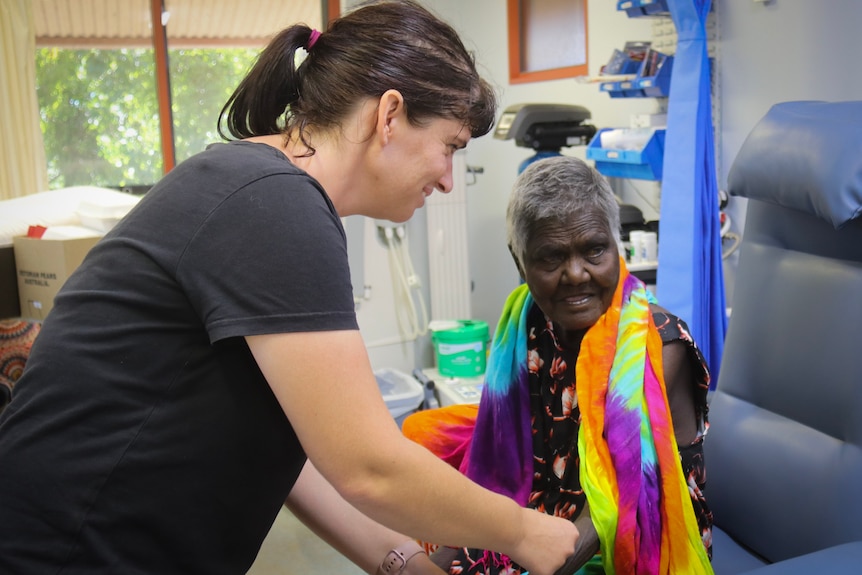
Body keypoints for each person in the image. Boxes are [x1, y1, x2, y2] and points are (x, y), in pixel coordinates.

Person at [0, 2, 580, 574]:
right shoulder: (274, 205)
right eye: (450, 146)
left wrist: (398, 560)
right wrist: (523, 531)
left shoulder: (257, 184)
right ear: (390, 115)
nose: (448, 180)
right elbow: (369, 466)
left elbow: (299, 453)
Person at [403, 155, 715, 575]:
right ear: (519, 261)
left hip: (634, 541)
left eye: (594, 250)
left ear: (615, 245)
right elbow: (503, 468)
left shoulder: (657, 343)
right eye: (550, 258)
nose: (576, 275)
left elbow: (612, 507)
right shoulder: (529, 320)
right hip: (537, 517)